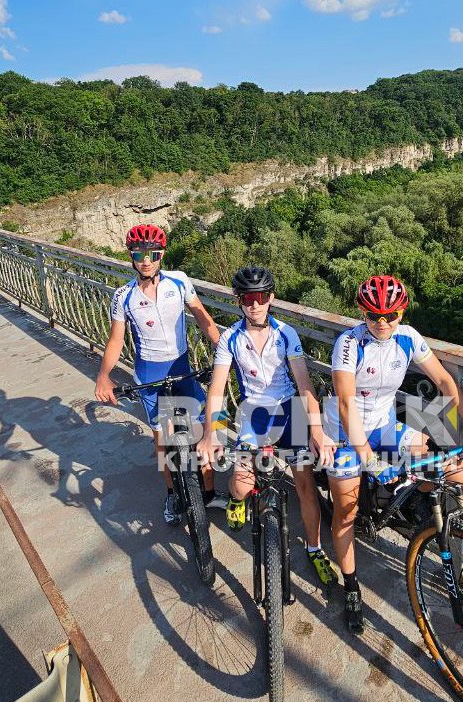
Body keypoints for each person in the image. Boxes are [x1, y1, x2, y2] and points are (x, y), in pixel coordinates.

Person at [326, 274, 463, 634]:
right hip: (345, 435)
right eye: (373, 316)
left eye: (391, 316)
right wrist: (367, 457)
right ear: (362, 313)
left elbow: (443, 382)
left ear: (402, 312)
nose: (382, 323)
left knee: (452, 472)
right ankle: (350, 587)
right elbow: (346, 404)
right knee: (345, 513)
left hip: (384, 425)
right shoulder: (348, 344)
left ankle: (429, 523)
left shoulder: (408, 338)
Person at [196, 266, 338, 588]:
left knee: (305, 484)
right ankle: (235, 500)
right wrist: (211, 433)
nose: (254, 304)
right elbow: (217, 391)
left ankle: (314, 549)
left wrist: (316, 430)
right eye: (247, 298)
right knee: (243, 486)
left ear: (271, 298)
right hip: (254, 414)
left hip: (290, 410)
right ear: (239, 301)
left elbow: (305, 387)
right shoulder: (230, 338)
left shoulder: (287, 334)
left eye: (260, 297)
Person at [95, 223, 223, 523]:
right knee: (163, 440)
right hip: (149, 375)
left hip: (181, 368)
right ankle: (172, 495)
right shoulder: (122, 295)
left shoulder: (179, 282)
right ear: (131, 256)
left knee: (207, 424)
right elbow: (116, 339)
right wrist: (103, 375)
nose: (146, 260)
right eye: (139, 254)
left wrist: (222, 348)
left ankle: (209, 492)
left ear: (162, 254)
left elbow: (203, 318)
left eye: (152, 253)